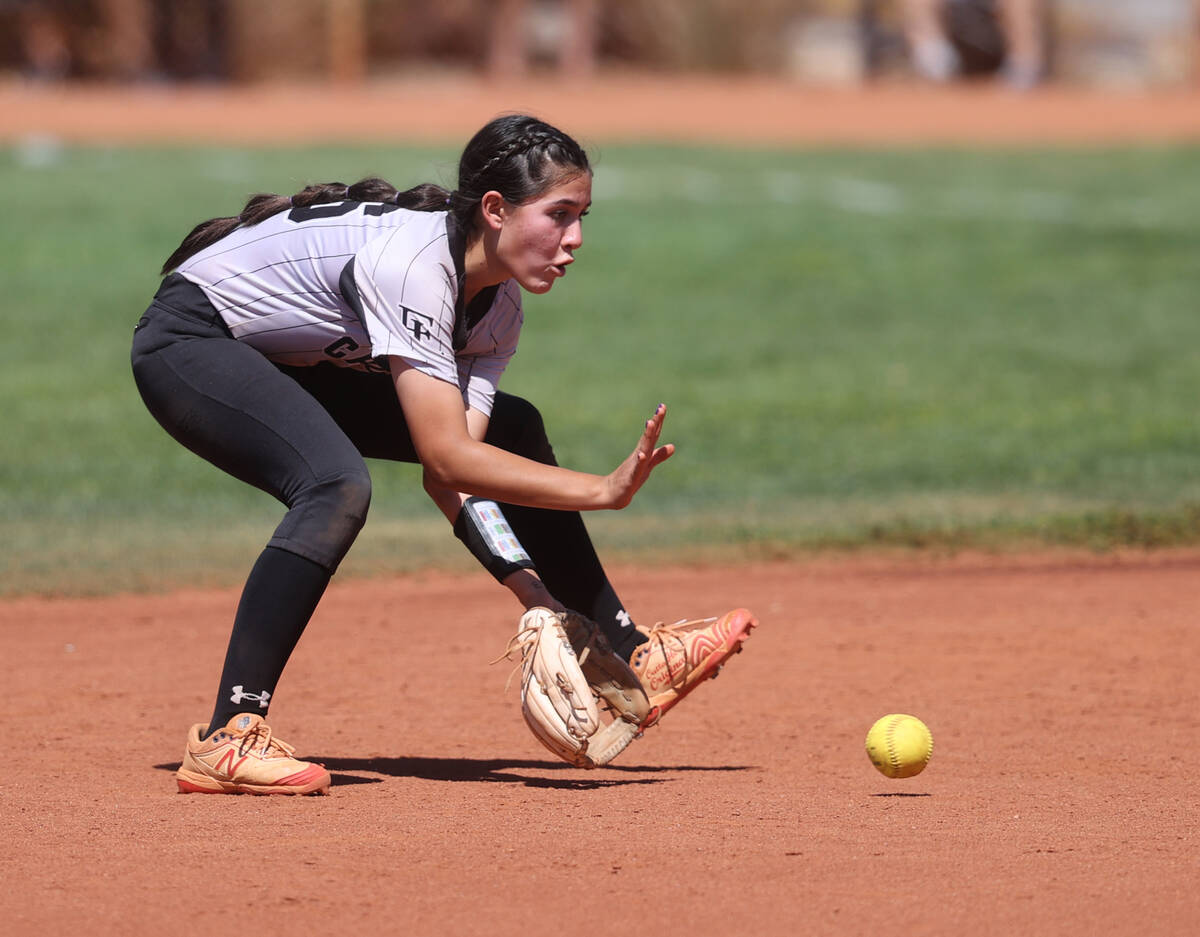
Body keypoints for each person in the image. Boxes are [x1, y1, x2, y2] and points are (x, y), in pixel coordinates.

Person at [131, 114, 757, 796]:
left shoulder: (498, 309)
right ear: (495, 209)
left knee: (513, 426)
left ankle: (628, 649)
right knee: (335, 485)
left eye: (582, 216)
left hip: (289, 359)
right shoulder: (412, 269)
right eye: (559, 214)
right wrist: (601, 489)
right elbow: (449, 456)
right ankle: (230, 731)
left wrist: (537, 598)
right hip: (192, 343)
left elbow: (455, 465)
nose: (575, 239)